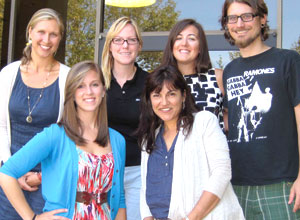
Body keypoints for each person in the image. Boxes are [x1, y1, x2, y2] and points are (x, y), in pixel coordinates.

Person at [0, 60, 126, 219]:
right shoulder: (56, 135)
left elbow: (119, 197)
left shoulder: (117, 140)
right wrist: (32, 217)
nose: (88, 91)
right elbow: (6, 173)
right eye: (80, 86)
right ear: (72, 93)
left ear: (103, 91)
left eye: (94, 84)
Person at [220, 0, 300, 219]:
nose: (239, 24)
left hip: (282, 184)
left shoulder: (288, 61)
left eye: (247, 16)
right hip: (237, 186)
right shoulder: (230, 70)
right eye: (232, 18)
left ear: (262, 19)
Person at [136, 65, 244, 220]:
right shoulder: (149, 137)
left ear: (184, 95)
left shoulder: (204, 122)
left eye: (171, 94)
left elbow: (222, 172)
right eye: (157, 95)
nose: (164, 102)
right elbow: (145, 187)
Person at [0, 8, 70, 218]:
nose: (46, 39)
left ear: (59, 39)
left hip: (49, 179)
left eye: (53, 34)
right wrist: (11, 168)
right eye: (41, 32)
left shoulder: (68, 78)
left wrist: (40, 176)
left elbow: (70, 133)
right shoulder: (8, 74)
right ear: (30, 32)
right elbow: (1, 126)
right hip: (10, 176)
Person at [101, 16, 148, 220]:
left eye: (131, 40)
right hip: (102, 171)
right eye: (119, 40)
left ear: (139, 45)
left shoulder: (150, 83)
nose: (125, 45)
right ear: (110, 45)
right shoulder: (96, 82)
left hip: (138, 172)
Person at [161, 19, 227, 130]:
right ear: (172, 46)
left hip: (213, 146)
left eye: (191, 38)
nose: (184, 43)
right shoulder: (162, 80)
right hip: (173, 147)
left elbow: (232, 119)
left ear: (201, 47)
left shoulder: (218, 77)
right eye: (179, 38)